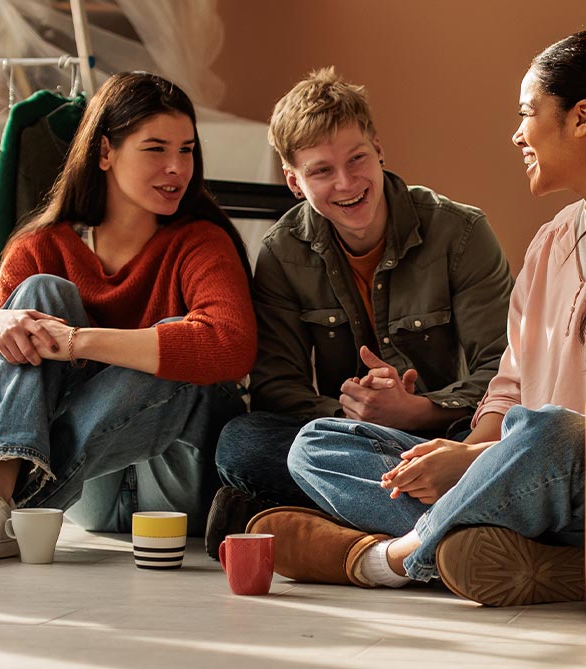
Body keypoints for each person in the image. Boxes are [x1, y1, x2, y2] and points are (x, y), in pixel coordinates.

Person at [250, 30, 586, 606]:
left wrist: (475, 460)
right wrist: (467, 451)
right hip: (529, 479)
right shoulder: (552, 240)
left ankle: (390, 558)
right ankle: (528, 552)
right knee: (316, 444)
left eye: (527, 112)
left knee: (548, 430)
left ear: (583, 117)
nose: (516, 132)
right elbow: (507, 388)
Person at [0, 71, 256, 565]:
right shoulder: (41, 248)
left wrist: (79, 342)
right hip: (84, 494)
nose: (176, 168)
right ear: (104, 153)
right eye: (155, 149)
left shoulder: (201, 241)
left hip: (178, 482)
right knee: (40, 293)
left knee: (178, 343)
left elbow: (230, 345)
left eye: (186, 150)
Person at [207, 67, 514, 557]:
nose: (347, 183)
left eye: (357, 159)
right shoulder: (282, 252)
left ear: (379, 149)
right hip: (343, 443)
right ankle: (452, 527)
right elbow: (277, 387)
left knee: (522, 439)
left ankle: (341, 520)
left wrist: (419, 410)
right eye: (321, 171)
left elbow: (504, 369)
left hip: (453, 435)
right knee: (241, 442)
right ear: (293, 180)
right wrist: (354, 415)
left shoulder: (460, 233)